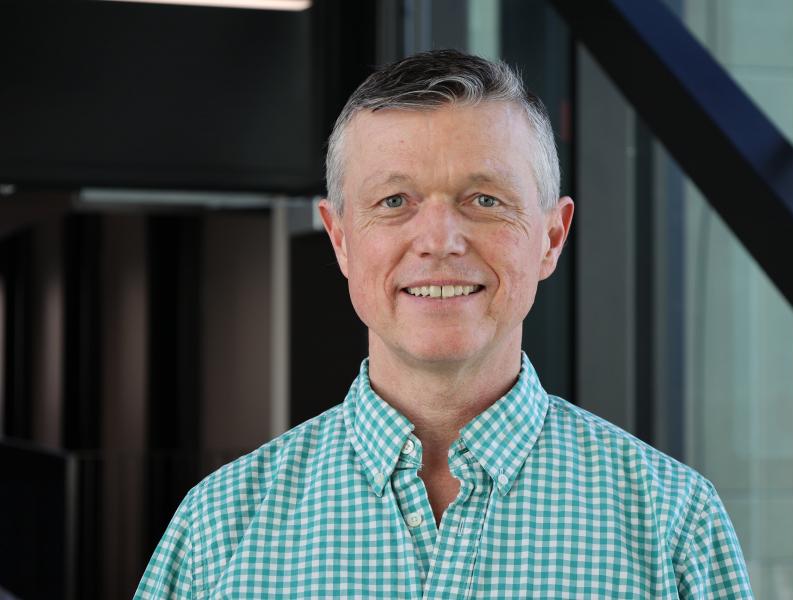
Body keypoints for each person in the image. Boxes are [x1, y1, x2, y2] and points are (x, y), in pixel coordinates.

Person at [135, 49, 753, 599]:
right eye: (394, 202)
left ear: (551, 237)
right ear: (340, 239)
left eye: (484, 200)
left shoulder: (674, 522)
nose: (438, 241)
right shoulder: (217, 529)